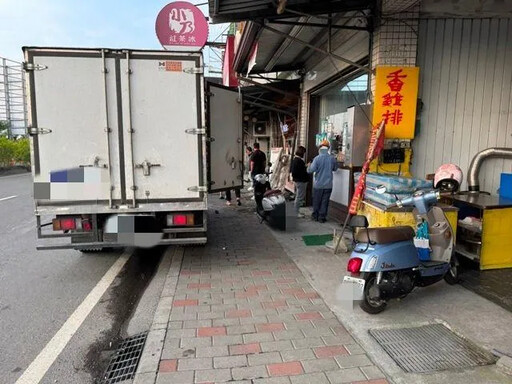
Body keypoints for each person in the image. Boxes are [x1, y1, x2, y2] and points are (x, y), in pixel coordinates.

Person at [307, 139, 338, 223]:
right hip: (328, 185)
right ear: (328, 148)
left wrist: (309, 166)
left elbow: (310, 170)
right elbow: (335, 169)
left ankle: (315, 216)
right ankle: (322, 217)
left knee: (317, 201)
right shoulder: (332, 158)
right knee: (325, 202)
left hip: (318, 184)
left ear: (320, 148)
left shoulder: (316, 159)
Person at [290, 146, 309, 218]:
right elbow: (296, 172)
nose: (304, 154)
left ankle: (296, 211)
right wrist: (305, 168)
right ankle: (296, 212)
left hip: (298, 181)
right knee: (299, 197)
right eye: (304, 152)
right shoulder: (299, 161)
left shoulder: (295, 160)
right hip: (301, 181)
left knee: (298, 196)